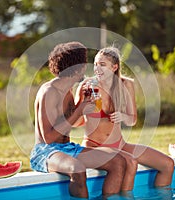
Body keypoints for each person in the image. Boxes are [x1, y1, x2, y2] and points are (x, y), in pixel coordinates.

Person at [30, 42, 136, 199]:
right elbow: (49, 138)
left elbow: (73, 122)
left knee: (118, 162)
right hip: (45, 151)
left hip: (67, 148)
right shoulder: (49, 92)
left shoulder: (68, 92)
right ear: (76, 67)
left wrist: (85, 104)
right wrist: (80, 110)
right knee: (77, 169)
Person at [75, 46, 174, 187]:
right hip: (94, 147)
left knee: (168, 164)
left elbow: (132, 120)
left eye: (102, 65)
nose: (97, 69)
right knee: (130, 162)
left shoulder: (126, 84)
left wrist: (122, 116)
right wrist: (81, 102)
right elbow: (75, 123)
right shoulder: (87, 87)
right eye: (96, 64)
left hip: (119, 145)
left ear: (114, 67)